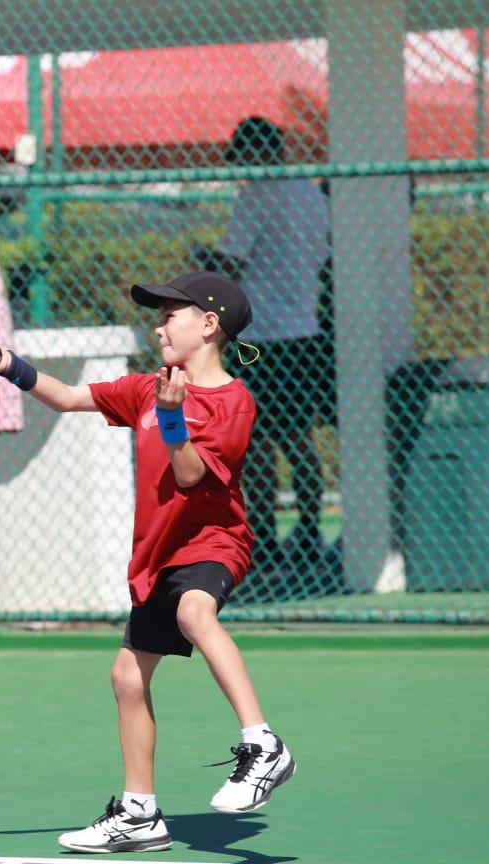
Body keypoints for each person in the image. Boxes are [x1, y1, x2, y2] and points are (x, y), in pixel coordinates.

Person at [0, 270, 296, 853]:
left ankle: (263, 744)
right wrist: (8, 365)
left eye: (171, 314)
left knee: (196, 612)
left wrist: (172, 417)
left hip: (213, 538)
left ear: (209, 325)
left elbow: (192, 477)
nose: (158, 324)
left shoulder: (233, 402)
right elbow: (68, 397)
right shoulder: (147, 387)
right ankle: (140, 813)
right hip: (158, 553)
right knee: (126, 677)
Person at [194, 117, 331, 575]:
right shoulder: (310, 193)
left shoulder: (255, 196)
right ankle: (310, 532)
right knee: (299, 438)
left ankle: (268, 539)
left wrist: (201, 259)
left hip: (263, 334)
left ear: (256, 154)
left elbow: (231, 260)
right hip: (304, 330)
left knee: (257, 441)